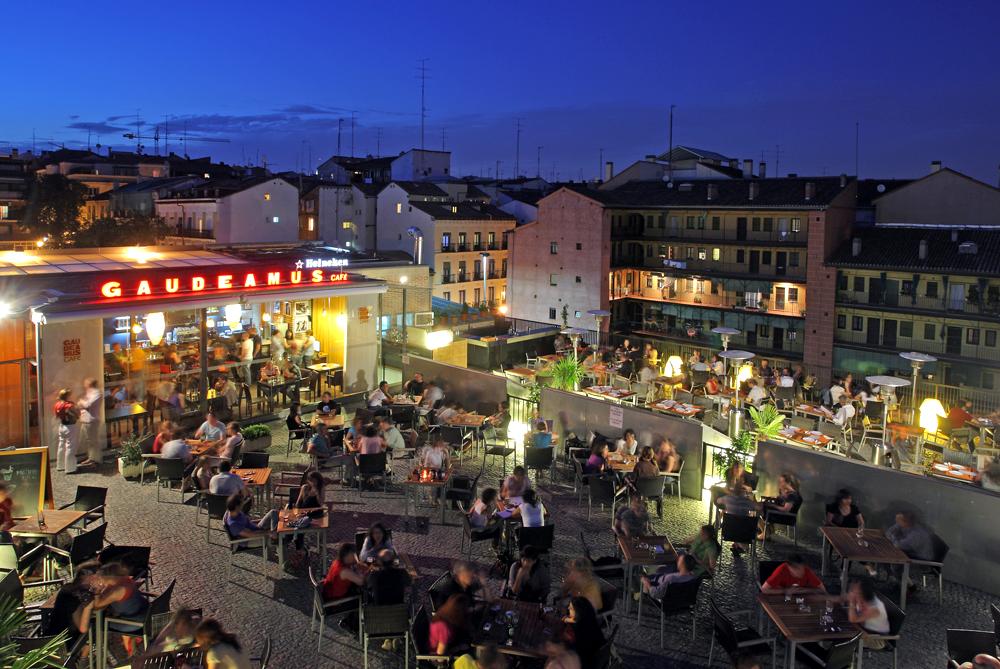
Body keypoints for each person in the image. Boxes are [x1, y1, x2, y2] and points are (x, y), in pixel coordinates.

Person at [321, 543, 368, 633]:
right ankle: (352, 625)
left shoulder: (337, 562)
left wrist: (356, 565)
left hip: (328, 594)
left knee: (358, 592)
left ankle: (350, 622)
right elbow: (361, 581)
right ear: (348, 555)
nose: (356, 557)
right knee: (364, 599)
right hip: (334, 603)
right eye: (354, 555)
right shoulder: (345, 571)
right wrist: (362, 569)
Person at [845, 577, 889, 648]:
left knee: (844, 637)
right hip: (864, 631)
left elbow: (853, 619)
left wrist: (852, 602)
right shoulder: (863, 599)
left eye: (854, 589)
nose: (851, 591)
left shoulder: (874, 608)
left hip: (876, 640)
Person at [560, 596, 605, 666]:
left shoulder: (580, 631)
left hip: (583, 663)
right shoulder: (590, 622)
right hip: (594, 659)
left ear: (578, 612)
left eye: (571, 608)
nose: (568, 608)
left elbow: (573, 649)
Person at [761, 553, 825, 593]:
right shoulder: (781, 571)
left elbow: (822, 588)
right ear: (789, 568)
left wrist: (805, 590)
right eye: (798, 569)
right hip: (781, 599)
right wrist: (785, 591)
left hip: (801, 600)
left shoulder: (806, 570)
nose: (802, 572)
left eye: (802, 568)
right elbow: (764, 589)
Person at [54, 388, 81, 474]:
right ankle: (70, 468)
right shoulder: (69, 406)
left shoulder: (57, 404)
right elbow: (77, 414)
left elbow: (57, 415)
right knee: (70, 447)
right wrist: (77, 411)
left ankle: (60, 465)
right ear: (67, 396)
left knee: (61, 445)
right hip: (70, 426)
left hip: (62, 425)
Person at [77, 377, 103, 466]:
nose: (84, 385)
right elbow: (82, 405)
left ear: (89, 384)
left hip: (91, 420)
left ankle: (96, 459)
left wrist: (81, 402)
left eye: (86, 383)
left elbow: (88, 404)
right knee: (88, 441)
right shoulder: (89, 393)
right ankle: (91, 458)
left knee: (93, 441)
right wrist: (82, 403)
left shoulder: (97, 393)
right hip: (85, 420)